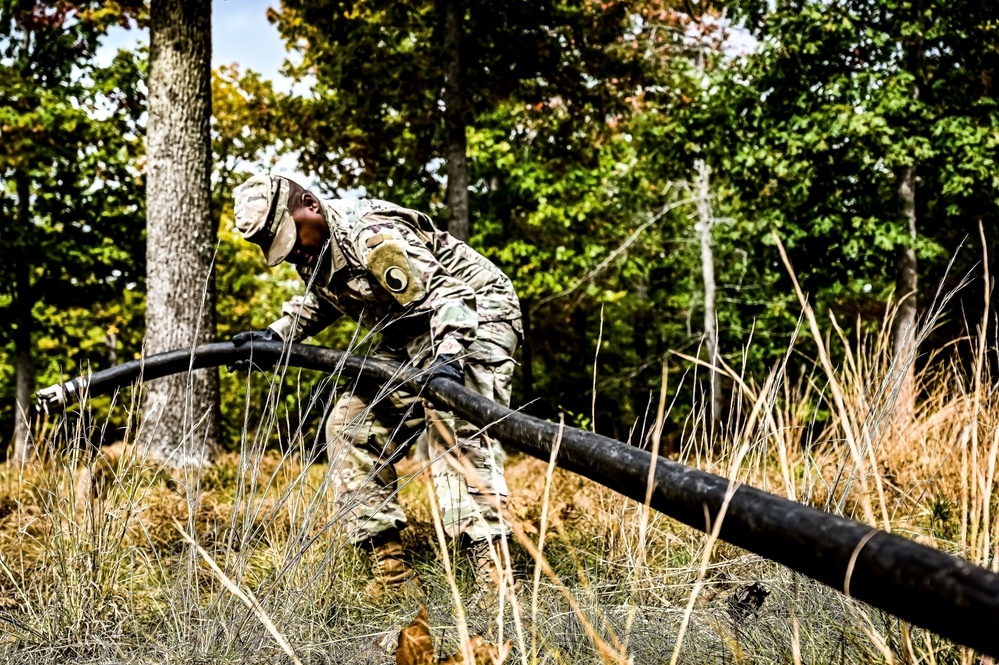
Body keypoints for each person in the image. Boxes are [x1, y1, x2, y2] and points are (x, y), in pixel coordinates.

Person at [230, 172, 522, 602]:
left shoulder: (372, 237)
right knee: (350, 425)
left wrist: (447, 362)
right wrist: (276, 335)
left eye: (293, 239)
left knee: (454, 430)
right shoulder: (315, 252)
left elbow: (450, 296)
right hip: (408, 336)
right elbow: (320, 301)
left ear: (309, 204)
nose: (293, 254)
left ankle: (495, 579)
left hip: (474, 318)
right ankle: (393, 575)